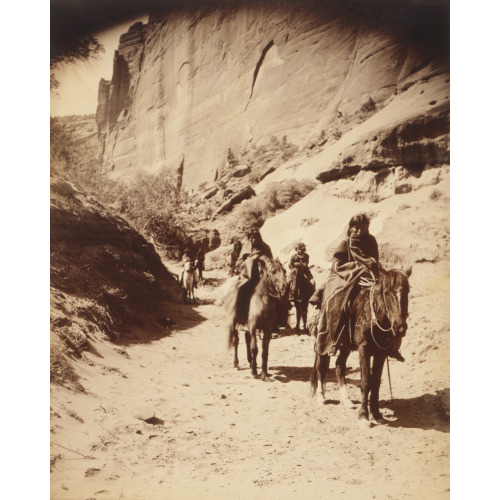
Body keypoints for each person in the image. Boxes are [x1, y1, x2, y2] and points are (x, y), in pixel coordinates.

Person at [313, 214, 404, 362]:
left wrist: (373, 268)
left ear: (367, 227)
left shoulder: (371, 240)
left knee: (388, 299)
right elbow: (337, 265)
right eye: (356, 227)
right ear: (351, 227)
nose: (360, 230)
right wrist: (359, 267)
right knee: (343, 301)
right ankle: (335, 339)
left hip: (369, 275)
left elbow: (374, 260)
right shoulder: (346, 243)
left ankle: (390, 344)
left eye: (363, 226)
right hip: (346, 275)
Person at [234, 229, 273, 317]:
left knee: (277, 292)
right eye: (251, 238)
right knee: (240, 292)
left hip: (264, 276)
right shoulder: (246, 249)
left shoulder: (265, 247)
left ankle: (277, 321)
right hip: (249, 277)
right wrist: (251, 260)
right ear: (249, 239)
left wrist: (262, 260)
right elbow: (238, 263)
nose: (253, 240)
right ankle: (240, 316)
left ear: (259, 238)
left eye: (255, 238)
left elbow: (271, 262)